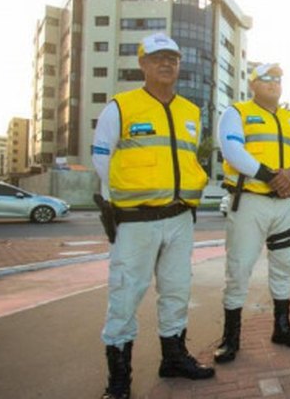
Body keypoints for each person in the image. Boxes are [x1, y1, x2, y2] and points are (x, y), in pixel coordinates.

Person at [91, 32, 214, 399]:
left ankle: (173, 359)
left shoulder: (191, 112)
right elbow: (102, 160)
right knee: (125, 296)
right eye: (158, 57)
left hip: (179, 219)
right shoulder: (121, 106)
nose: (166, 63)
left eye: (172, 58)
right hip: (136, 221)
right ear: (142, 63)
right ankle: (119, 380)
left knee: (177, 291)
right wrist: (118, 204)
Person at [214, 63, 290, 363]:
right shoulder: (236, 113)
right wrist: (271, 176)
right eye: (267, 79)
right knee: (239, 269)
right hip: (250, 201)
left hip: (284, 203)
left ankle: (282, 327)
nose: (274, 84)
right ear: (253, 84)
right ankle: (230, 338)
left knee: (284, 266)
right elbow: (233, 151)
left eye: (278, 79)